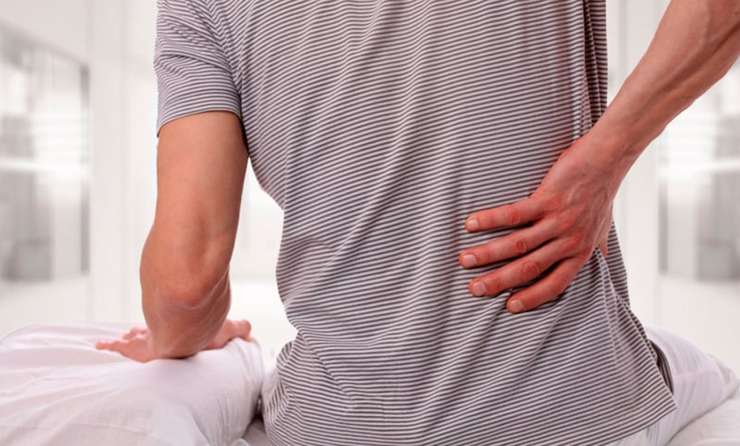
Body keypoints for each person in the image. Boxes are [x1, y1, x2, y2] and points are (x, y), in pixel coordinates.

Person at [95, 0, 740, 444]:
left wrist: (184, 332)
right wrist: (606, 159)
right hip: (567, 409)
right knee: (710, 375)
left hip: (336, 428)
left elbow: (184, 285)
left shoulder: (198, 8)